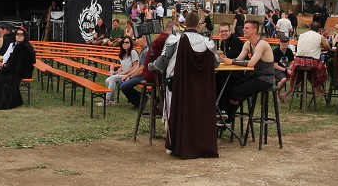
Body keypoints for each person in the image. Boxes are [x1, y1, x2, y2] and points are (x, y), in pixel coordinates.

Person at [152, 12, 218, 159]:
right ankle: (199, 144)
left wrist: (152, 65)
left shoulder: (175, 39)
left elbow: (162, 62)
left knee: (172, 112)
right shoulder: (208, 42)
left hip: (178, 86)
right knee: (198, 114)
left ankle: (173, 143)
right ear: (198, 24)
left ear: (185, 24)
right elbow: (216, 63)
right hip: (201, 88)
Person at [218, 20, 275, 127]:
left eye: (246, 28)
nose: (243, 29)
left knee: (236, 91)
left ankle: (228, 118)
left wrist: (232, 61)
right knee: (229, 84)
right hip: (255, 76)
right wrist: (226, 60)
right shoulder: (248, 44)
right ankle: (222, 112)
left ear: (254, 30)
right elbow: (238, 59)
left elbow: (251, 63)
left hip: (265, 79)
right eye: (244, 27)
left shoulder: (262, 44)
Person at [291, 21, 330, 95]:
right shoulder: (320, 37)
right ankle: (317, 90)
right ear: (319, 30)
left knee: (311, 71)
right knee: (323, 70)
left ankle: (314, 87)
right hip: (311, 62)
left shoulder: (301, 35)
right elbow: (328, 48)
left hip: (298, 61)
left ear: (309, 28)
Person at [103, 37, 140, 107]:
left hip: (130, 74)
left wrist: (122, 73)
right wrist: (116, 72)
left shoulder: (133, 52)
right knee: (107, 80)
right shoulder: (123, 53)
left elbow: (135, 66)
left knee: (112, 79)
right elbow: (122, 67)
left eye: (127, 42)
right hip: (123, 74)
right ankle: (111, 100)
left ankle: (107, 100)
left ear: (130, 44)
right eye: (123, 42)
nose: (125, 44)